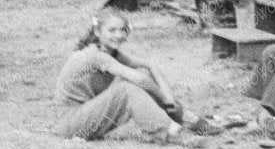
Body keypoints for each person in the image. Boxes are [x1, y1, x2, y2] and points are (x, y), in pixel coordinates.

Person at [55, 9, 198, 142]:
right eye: (111, 30)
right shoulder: (95, 55)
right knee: (126, 89)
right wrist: (164, 98)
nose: (118, 35)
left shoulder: (110, 52)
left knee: (133, 82)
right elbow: (140, 80)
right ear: (97, 32)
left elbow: (149, 64)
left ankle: (191, 121)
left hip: (86, 116)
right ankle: (172, 132)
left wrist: (168, 97)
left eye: (122, 30)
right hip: (71, 125)